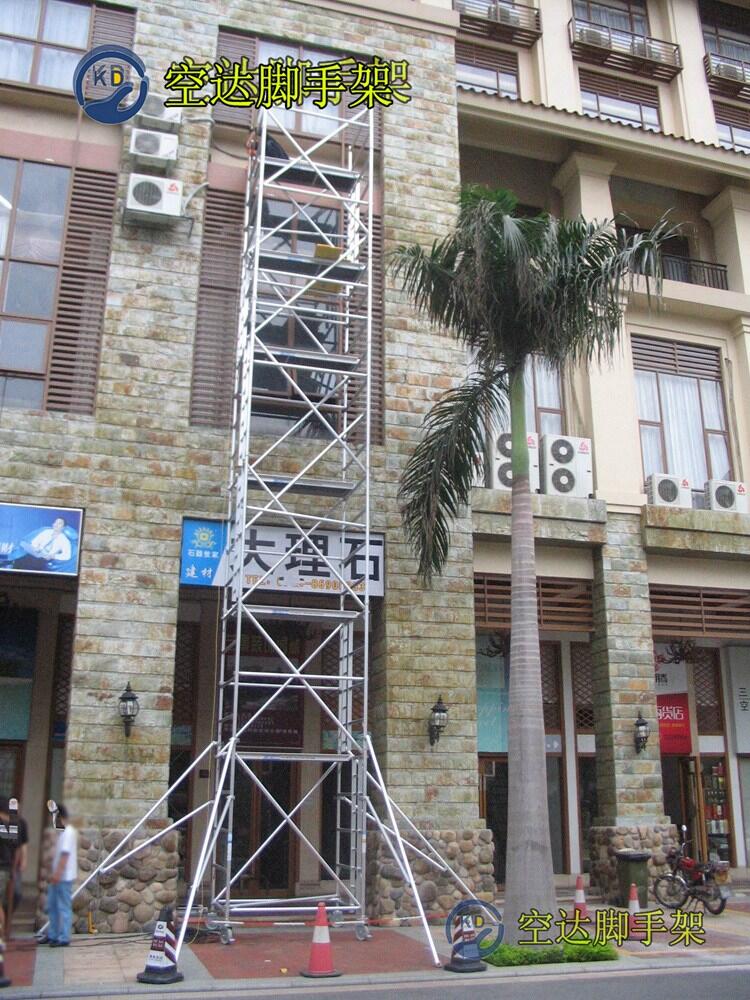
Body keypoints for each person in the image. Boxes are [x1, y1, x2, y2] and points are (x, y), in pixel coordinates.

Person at [47, 804, 77, 947]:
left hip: (63, 877)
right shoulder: (62, 833)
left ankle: (64, 937)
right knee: (53, 906)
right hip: (58, 876)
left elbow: (65, 855)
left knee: (63, 907)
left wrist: (57, 874)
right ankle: (53, 934)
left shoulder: (68, 832)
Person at [0, 796, 27, 939]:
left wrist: (19, 863)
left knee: (14, 895)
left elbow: (19, 846)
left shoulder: (18, 824)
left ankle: (4, 930)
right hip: (6, 867)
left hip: (7, 867)